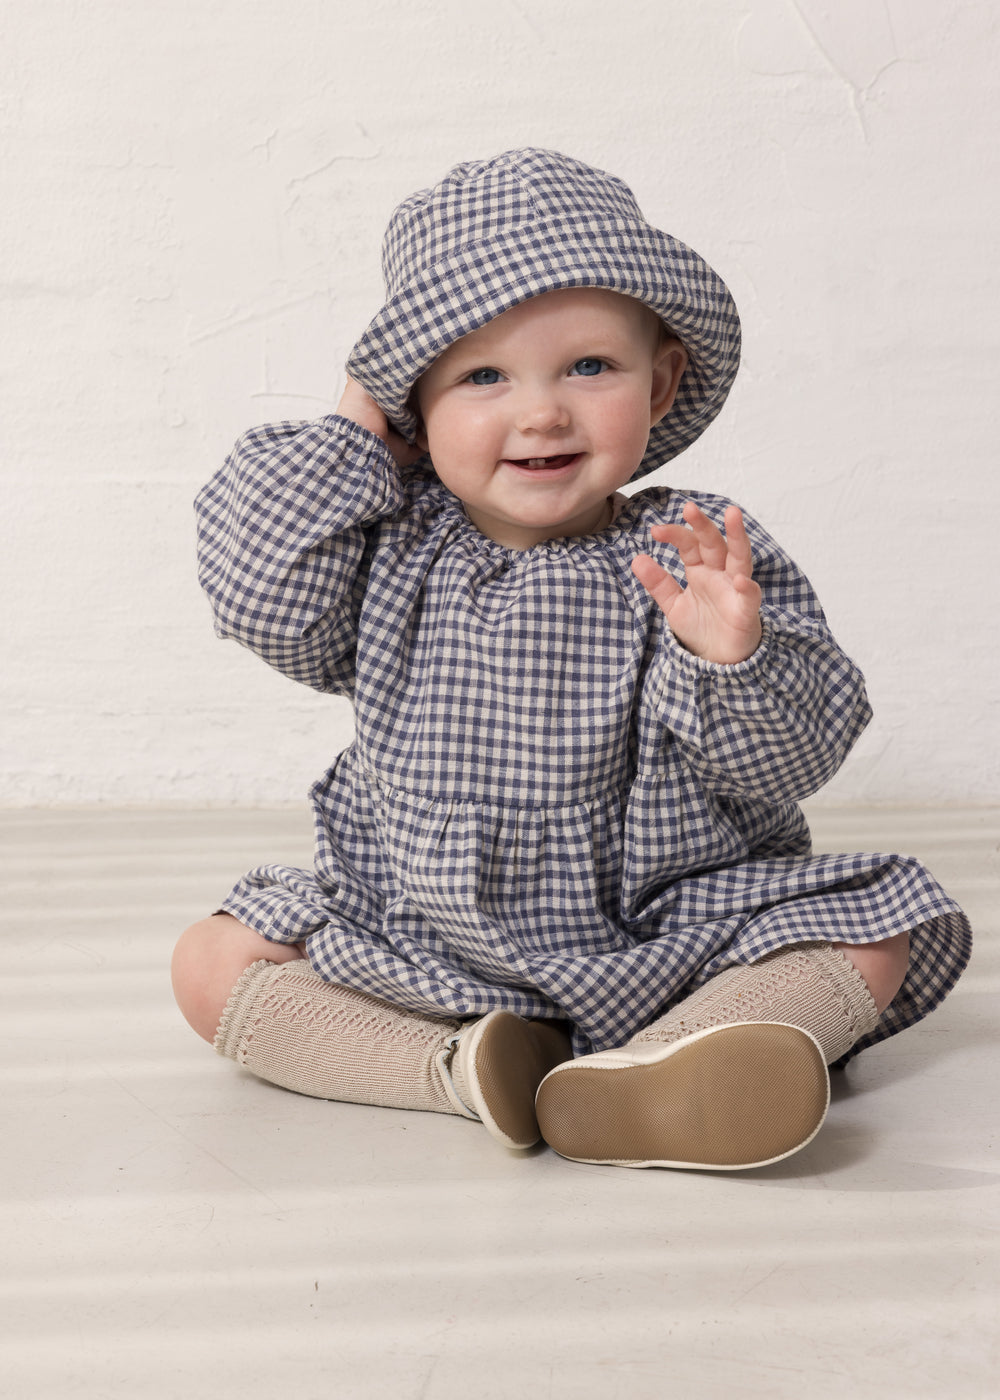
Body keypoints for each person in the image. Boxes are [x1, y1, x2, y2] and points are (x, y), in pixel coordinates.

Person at [172, 149, 971, 1171]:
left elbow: (795, 761)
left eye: (589, 367)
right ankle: (461, 1069)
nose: (543, 411)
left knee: (876, 933)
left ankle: (665, 1064)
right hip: (429, 938)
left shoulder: (695, 551)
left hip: (672, 928)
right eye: (481, 376)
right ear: (413, 409)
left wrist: (733, 656)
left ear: (661, 381)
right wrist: (354, 428)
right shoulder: (385, 548)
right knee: (210, 962)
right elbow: (256, 591)